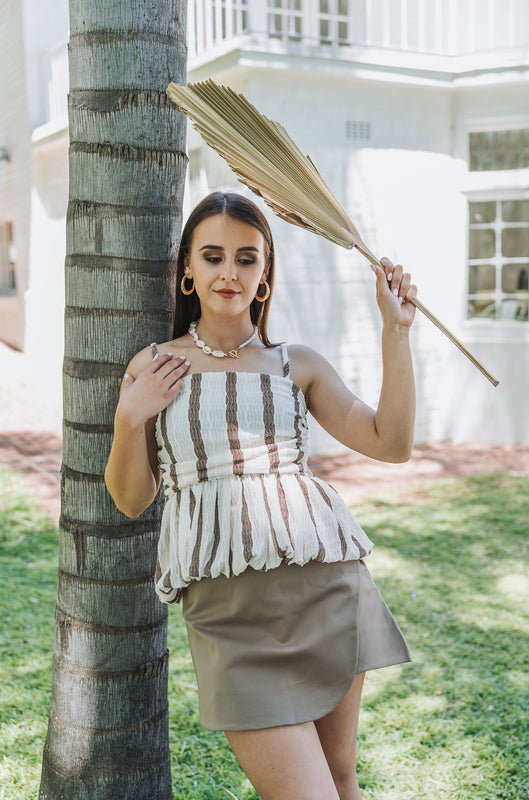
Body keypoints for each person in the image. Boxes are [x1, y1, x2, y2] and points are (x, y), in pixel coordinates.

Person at [105, 191, 417, 800]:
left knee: (342, 783)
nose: (230, 272)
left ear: (265, 273)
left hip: (328, 590)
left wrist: (395, 331)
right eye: (213, 256)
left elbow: (391, 442)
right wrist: (127, 420)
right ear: (188, 271)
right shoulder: (155, 366)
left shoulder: (294, 364)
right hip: (228, 617)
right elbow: (130, 499)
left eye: (247, 258)